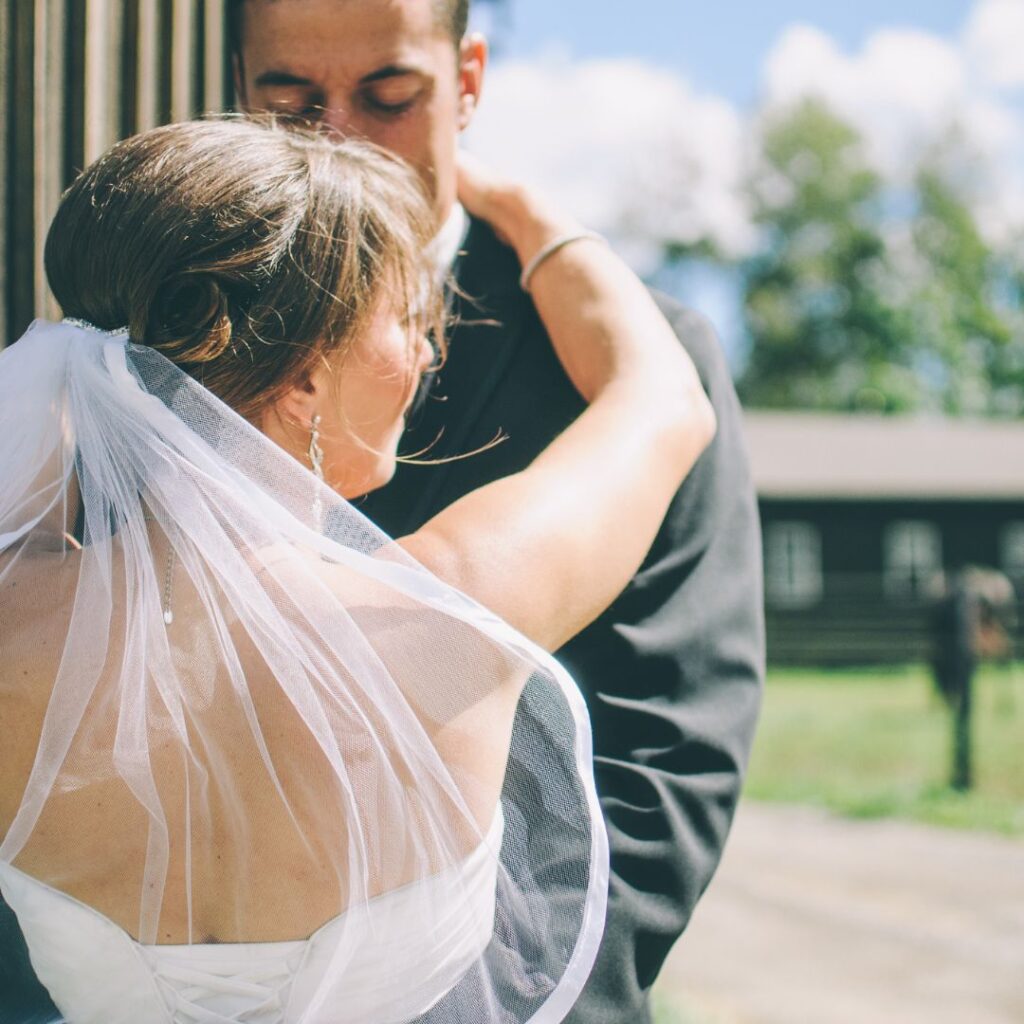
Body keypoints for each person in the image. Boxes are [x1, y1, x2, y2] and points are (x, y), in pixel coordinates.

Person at [0, 118, 714, 1023]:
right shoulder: (450, 606)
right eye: (405, 319)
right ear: (304, 375)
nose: (424, 353)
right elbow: (661, 396)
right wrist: (516, 206)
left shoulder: (10, 622)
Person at [233, 2, 765, 1021]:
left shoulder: (631, 357)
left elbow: (666, 749)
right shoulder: (165, 339)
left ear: (467, 81)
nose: (340, 137)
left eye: (390, 97)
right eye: (291, 102)